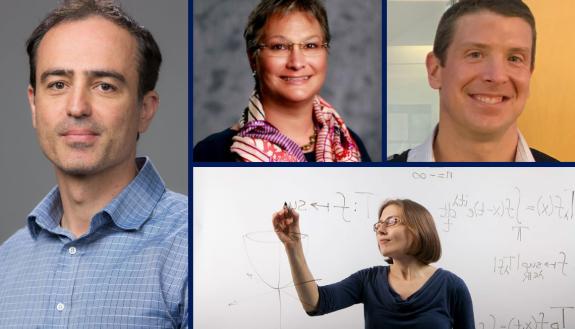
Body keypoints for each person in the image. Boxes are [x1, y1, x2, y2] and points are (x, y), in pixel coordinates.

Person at [0, 1, 187, 328]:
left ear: (145, 109)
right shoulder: (7, 261)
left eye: (104, 86)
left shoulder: (195, 247)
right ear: (33, 104)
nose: (77, 107)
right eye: (58, 84)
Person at [194, 0, 371, 162]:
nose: (297, 63)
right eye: (279, 46)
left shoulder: (350, 144)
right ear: (252, 59)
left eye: (310, 45)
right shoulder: (212, 153)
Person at [388, 0, 558, 162]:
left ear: (529, 74)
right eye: (475, 54)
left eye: (514, 58)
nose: (497, 76)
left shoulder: (566, 182)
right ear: (435, 70)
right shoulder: (377, 181)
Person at [273, 199, 475, 329]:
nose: (380, 229)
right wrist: (294, 246)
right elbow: (315, 304)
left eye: (392, 221)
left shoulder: (452, 287)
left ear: (419, 228)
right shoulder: (367, 280)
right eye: (378, 224)